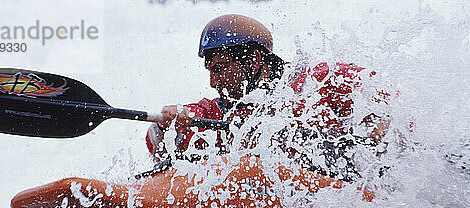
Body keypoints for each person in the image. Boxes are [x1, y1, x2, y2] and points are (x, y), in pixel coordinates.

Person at [146, 14, 391, 181]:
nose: (213, 82)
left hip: (340, 196)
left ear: (253, 60)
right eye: (210, 71)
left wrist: (373, 142)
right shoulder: (219, 111)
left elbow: (388, 101)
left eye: (220, 69)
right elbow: (157, 139)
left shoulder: (318, 81)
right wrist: (169, 120)